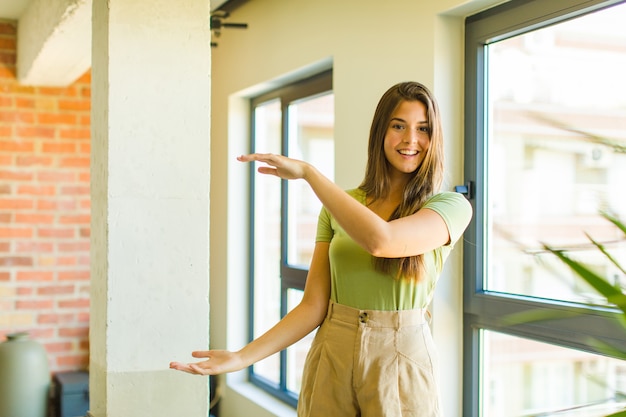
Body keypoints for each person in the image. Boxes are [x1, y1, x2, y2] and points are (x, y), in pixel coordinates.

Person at [170, 81, 473, 417]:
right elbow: (314, 305)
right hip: (333, 348)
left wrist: (309, 174)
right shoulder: (340, 207)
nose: (410, 140)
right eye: (398, 126)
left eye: (423, 129)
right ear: (380, 133)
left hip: (400, 356)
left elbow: (382, 241)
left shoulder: (450, 206)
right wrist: (242, 357)